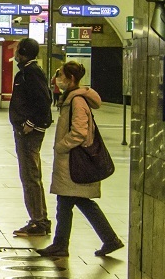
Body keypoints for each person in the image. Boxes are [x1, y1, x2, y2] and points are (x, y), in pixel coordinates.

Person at [35, 61, 124, 258]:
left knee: (66, 202)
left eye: (61, 76)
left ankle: (61, 245)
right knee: (80, 202)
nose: (57, 80)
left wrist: (61, 146)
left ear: (71, 79)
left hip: (73, 161)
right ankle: (109, 240)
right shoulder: (72, 99)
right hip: (71, 162)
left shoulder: (77, 101)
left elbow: (80, 132)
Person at [10, 38, 54, 238]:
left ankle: (38, 222)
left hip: (29, 134)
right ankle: (39, 219)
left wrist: (30, 123)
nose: (15, 52)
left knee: (30, 176)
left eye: (18, 49)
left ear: (23, 52)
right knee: (31, 175)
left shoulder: (30, 73)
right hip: (27, 131)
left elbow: (44, 101)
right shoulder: (28, 72)